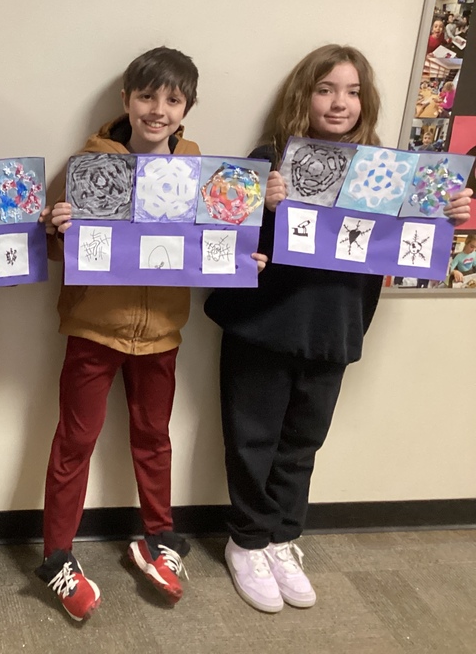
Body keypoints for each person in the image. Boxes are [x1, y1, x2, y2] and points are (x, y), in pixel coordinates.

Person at [203, 44, 472, 614]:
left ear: (365, 101)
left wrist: (448, 213)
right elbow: (218, 240)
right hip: (262, 326)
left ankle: (282, 538)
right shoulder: (270, 156)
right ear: (305, 94)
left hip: (336, 327)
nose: (339, 102)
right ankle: (246, 541)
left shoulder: (386, 168)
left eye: (351, 91)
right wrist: (263, 205)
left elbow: (411, 241)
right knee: (252, 441)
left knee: (303, 442)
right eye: (326, 88)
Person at [36, 47, 265, 615]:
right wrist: (56, 228)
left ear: (186, 107)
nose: (157, 109)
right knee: (75, 442)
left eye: (172, 99)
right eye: (146, 96)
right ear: (126, 101)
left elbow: (216, 246)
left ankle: (160, 538)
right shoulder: (87, 167)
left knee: (154, 439)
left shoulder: (203, 174)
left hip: (162, 333)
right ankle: (57, 553)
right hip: (93, 329)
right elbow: (53, 248)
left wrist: (241, 259)